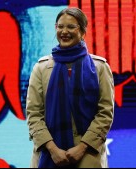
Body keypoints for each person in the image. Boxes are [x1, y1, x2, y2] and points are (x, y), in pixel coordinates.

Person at [26, 7, 114, 168]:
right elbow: (34, 114)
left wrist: (82, 148)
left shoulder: (99, 67)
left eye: (71, 27)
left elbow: (105, 113)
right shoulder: (41, 68)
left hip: (87, 154)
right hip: (49, 155)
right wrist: (53, 149)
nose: (64, 31)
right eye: (60, 26)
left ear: (82, 31)